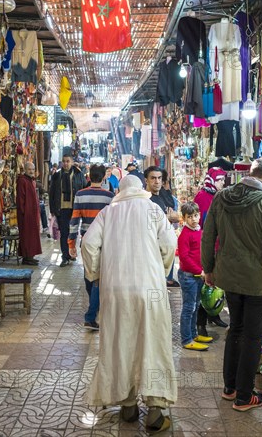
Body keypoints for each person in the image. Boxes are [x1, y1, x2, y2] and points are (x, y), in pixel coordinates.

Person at [81, 175, 177, 433]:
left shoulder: (108, 213)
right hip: (150, 290)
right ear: (140, 188)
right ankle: (155, 412)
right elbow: (169, 243)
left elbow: (88, 243)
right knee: (152, 343)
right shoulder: (153, 209)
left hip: (116, 291)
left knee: (121, 344)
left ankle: (128, 406)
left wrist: (97, 274)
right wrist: (162, 268)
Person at [201, 158, 262, 411]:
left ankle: (230, 388)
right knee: (252, 337)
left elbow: (208, 236)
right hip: (258, 281)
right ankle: (244, 396)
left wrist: (208, 268)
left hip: (228, 277)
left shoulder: (222, 197)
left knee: (235, 329)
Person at [68, 164, 114, 330]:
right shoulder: (110, 196)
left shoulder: (80, 195)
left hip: (86, 241)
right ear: (103, 178)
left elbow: (74, 221)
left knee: (91, 275)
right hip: (104, 241)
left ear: (88, 176)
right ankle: (91, 314)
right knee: (97, 278)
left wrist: (71, 243)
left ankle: (93, 310)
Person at [194, 167, 228, 334]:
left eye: (223, 180)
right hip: (205, 247)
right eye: (220, 180)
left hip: (218, 247)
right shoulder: (202, 197)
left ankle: (214, 315)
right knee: (204, 286)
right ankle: (201, 323)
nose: (223, 182)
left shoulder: (220, 196)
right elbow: (199, 226)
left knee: (216, 286)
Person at [178, 201, 213, 351]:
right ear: (184, 218)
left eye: (196, 215)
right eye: (190, 217)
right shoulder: (184, 235)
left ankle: (193, 334)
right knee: (188, 308)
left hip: (198, 275)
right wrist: (200, 270)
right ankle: (187, 339)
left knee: (196, 306)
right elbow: (185, 258)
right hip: (189, 276)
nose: (194, 219)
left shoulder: (200, 231)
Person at [144, 166, 180, 288]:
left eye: (159, 178)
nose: (157, 181)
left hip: (160, 250)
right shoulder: (145, 200)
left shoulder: (160, 197)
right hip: (150, 251)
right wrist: (167, 218)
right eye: (153, 178)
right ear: (146, 181)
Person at [49, 152, 87, 267]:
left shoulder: (78, 174)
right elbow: (51, 194)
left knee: (73, 233)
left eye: (67, 161)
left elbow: (84, 189)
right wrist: (52, 209)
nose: (65, 164)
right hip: (62, 209)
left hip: (74, 209)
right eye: (64, 161)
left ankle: (71, 254)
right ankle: (65, 257)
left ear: (71, 162)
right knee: (64, 234)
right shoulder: (56, 176)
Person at [16, 161, 42, 266]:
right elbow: (21, 198)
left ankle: (30, 256)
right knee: (27, 235)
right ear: (25, 170)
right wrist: (23, 213)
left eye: (32, 169)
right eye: (29, 169)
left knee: (32, 235)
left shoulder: (30, 180)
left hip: (31, 213)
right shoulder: (22, 181)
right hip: (26, 214)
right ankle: (26, 257)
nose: (31, 171)